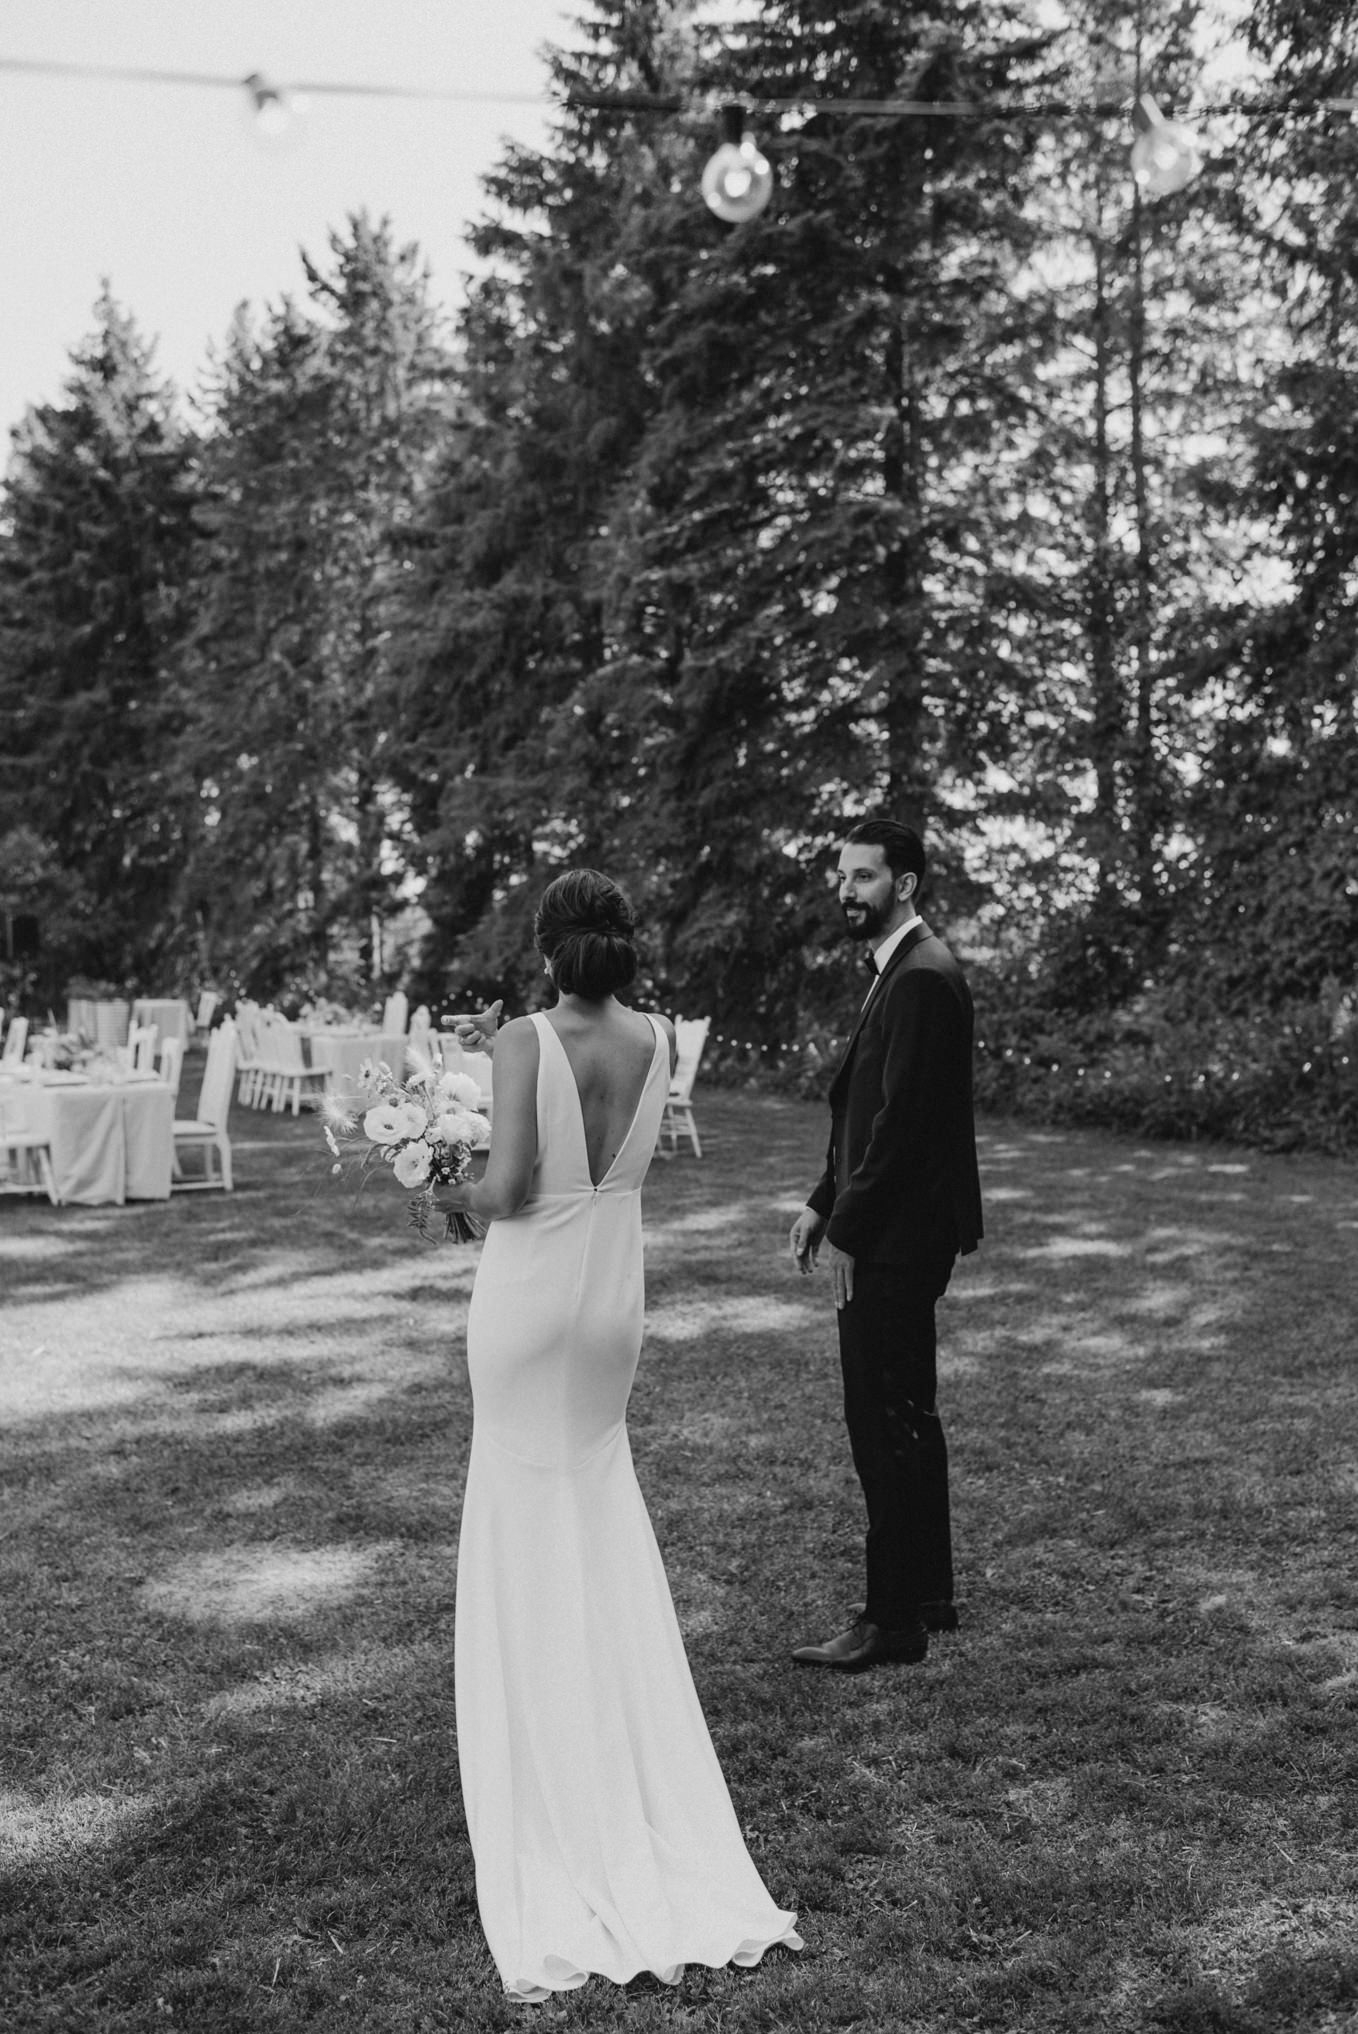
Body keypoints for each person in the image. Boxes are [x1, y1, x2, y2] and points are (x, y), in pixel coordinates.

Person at [436, 868, 802, 2001]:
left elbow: (503, 1188)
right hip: (611, 1309)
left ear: (547, 948)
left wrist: (441, 1188)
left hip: (531, 1292)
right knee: (594, 1496)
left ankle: (543, 1758)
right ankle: (617, 1737)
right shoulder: (652, 1042)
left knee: (518, 1499)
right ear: (624, 948)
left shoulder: (519, 1041)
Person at [788, 818, 983, 1674]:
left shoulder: (922, 978)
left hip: (898, 1240)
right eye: (843, 875)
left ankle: (891, 1620)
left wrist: (850, 1233)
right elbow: (866, 1111)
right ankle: (928, 1596)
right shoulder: (899, 970)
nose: (847, 889)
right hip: (890, 1226)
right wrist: (822, 1199)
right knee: (910, 1415)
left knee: (883, 1422)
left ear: (903, 884)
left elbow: (903, 1130)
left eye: (864, 877)